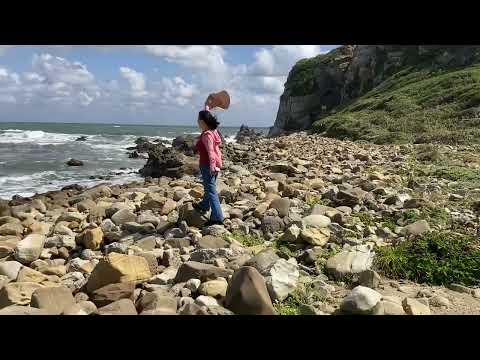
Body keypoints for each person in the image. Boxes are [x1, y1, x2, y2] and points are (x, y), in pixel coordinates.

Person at [192, 109, 224, 226]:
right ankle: (204, 205)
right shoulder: (212, 131)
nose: (197, 122)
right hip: (211, 165)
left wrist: (211, 167)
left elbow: (210, 152)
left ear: (202, 121)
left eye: (198, 119)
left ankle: (217, 217)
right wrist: (208, 104)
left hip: (208, 166)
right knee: (208, 187)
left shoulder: (207, 135)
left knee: (211, 191)